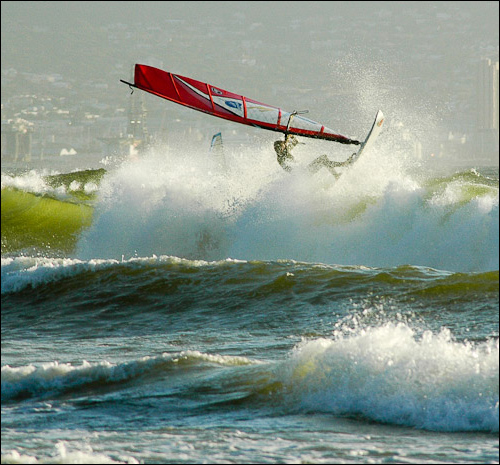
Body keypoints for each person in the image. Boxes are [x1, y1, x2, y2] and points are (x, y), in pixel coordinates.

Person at [274, 134, 358, 178]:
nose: (279, 150)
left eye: (280, 147)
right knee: (322, 159)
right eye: (277, 149)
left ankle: (336, 175)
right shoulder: (280, 158)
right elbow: (289, 169)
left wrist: (289, 136)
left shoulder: (286, 149)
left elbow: (295, 141)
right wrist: (298, 172)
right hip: (303, 175)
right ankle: (343, 164)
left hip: (304, 171)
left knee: (323, 158)